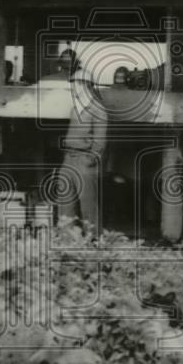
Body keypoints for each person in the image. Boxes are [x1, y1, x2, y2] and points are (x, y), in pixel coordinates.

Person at [54, 62, 107, 236]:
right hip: (69, 158)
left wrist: (89, 160)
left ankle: (93, 239)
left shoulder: (98, 110)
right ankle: (66, 238)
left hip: (84, 161)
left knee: (88, 204)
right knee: (65, 200)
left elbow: (100, 141)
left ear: (86, 86)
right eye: (73, 84)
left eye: (76, 84)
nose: (74, 88)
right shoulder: (75, 108)